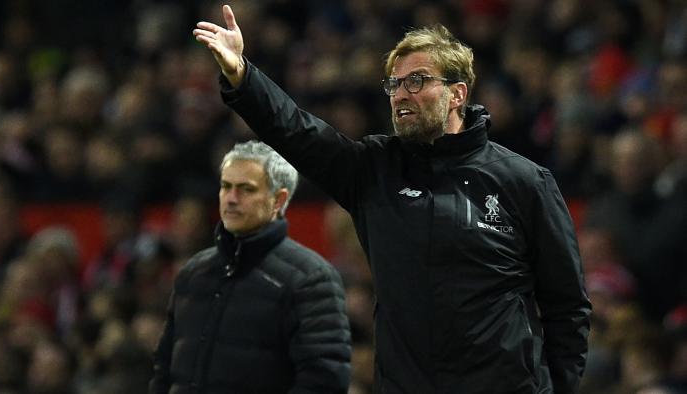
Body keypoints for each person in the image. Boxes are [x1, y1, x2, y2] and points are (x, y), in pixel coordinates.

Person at [193, 6, 591, 393]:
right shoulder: (373, 170)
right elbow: (297, 132)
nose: (401, 94)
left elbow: (567, 307)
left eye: (417, 81)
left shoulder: (524, 182)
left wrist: (558, 387)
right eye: (394, 84)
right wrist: (243, 77)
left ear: (457, 94)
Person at [149, 141, 351, 393]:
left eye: (246, 189)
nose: (231, 199)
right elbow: (164, 370)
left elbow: (324, 380)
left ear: (279, 200)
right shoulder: (193, 272)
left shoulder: (311, 278)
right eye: (226, 187)